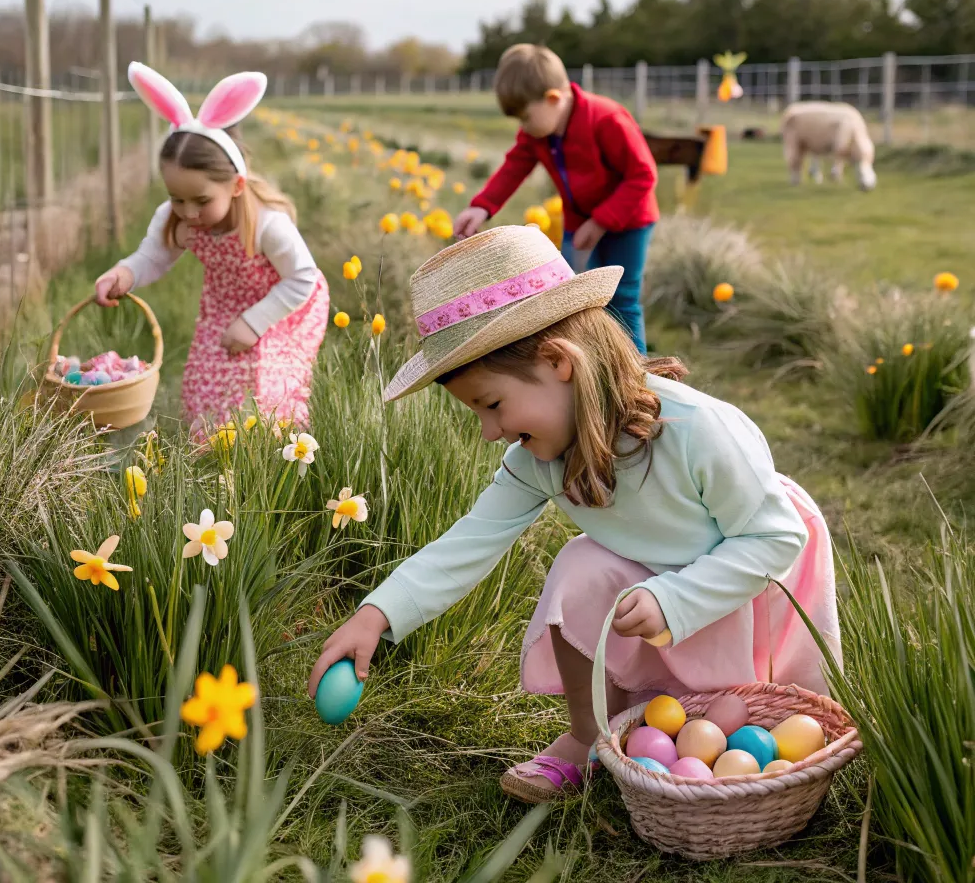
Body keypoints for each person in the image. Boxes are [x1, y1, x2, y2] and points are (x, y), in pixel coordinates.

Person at [308, 225, 841, 803]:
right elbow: (471, 540)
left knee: (734, 736)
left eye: (492, 405)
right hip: (655, 588)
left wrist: (679, 598)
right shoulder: (539, 460)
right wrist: (376, 616)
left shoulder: (698, 431)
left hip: (744, 580)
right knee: (580, 563)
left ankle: (716, 727)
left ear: (559, 361)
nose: (489, 432)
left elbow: (771, 536)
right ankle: (589, 736)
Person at [94, 63, 328, 433]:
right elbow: (153, 257)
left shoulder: (267, 223)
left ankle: (273, 451)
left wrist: (254, 322)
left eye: (200, 200)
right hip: (223, 303)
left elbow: (303, 278)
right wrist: (125, 273)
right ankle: (213, 449)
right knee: (211, 376)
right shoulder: (178, 216)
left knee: (267, 380)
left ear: (236, 186)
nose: (189, 212)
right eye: (176, 198)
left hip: (285, 302)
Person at [453, 43, 658, 353]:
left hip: (628, 221)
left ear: (553, 99)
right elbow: (514, 166)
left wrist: (601, 221)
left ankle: (638, 377)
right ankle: (595, 366)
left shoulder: (607, 120)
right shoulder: (540, 133)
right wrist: (482, 206)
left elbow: (643, 175)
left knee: (622, 297)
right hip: (579, 221)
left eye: (525, 118)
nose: (523, 127)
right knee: (575, 296)